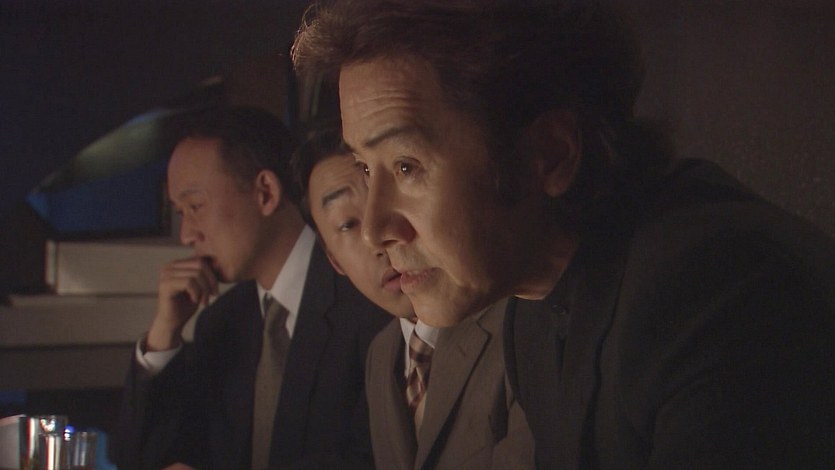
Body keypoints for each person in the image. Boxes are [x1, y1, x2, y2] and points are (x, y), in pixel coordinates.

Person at [292, 1, 835, 468]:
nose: (374, 230)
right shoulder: (530, 311)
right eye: (365, 168)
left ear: (549, 154)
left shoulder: (722, 294)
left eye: (406, 166)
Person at [110, 106, 390, 469]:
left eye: (195, 206)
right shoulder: (222, 322)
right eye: (180, 213)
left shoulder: (371, 296)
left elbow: (372, 459)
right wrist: (163, 335)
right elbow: (143, 460)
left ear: (266, 193)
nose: (187, 235)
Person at [290, 121, 535, 469]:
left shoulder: (519, 324)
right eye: (347, 224)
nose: (377, 237)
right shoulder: (383, 356)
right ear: (333, 260)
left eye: (387, 197)